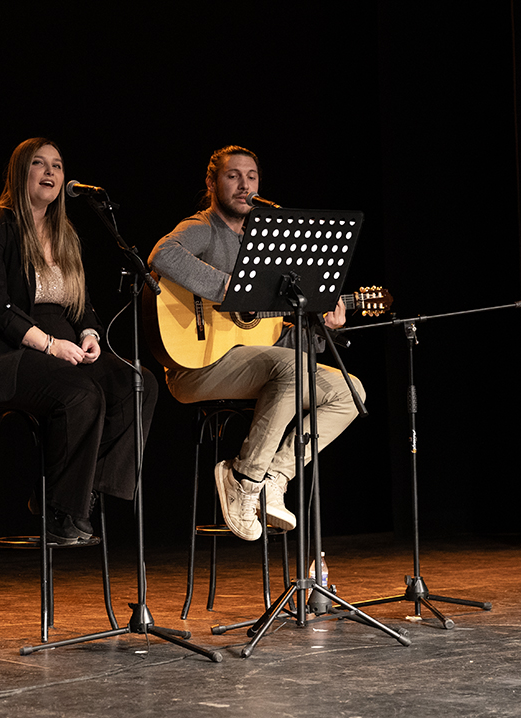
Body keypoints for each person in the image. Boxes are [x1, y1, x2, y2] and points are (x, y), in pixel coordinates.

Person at [147, 145, 364, 542]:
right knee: (289, 367)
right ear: (212, 183)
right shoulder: (203, 227)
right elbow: (162, 255)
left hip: (253, 365)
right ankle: (243, 479)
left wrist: (322, 325)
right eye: (233, 176)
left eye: (251, 176)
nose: (244, 184)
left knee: (350, 392)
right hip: (196, 367)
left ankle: (275, 475)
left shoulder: (269, 245)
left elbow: (283, 335)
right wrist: (229, 289)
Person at [0, 137, 157, 544]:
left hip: (64, 339)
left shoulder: (65, 232)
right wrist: (49, 344)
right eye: (39, 163)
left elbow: (78, 301)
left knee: (139, 385)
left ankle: (76, 495)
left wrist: (89, 334)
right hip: (8, 349)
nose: (50, 172)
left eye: (57, 165)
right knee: (81, 395)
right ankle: (63, 510)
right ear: (18, 172)